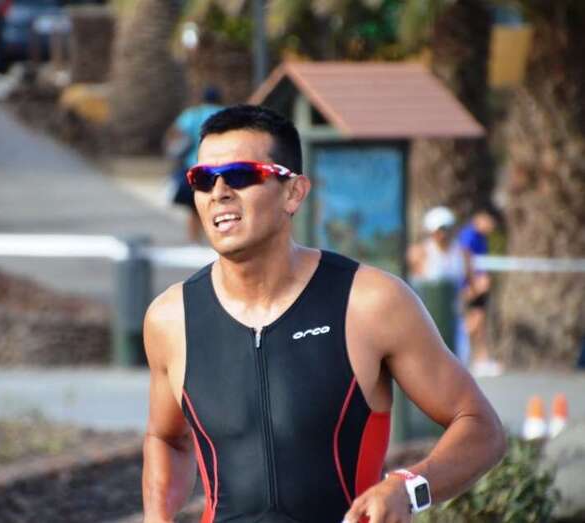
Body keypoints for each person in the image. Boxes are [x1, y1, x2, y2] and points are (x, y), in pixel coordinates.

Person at [142, 105, 505, 523]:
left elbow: (481, 428)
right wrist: (157, 516)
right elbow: (166, 438)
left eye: (241, 175)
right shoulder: (170, 319)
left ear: (294, 192)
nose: (219, 192)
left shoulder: (369, 302)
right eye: (203, 178)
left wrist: (407, 488)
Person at [407, 206, 470, 363]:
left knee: (458, 359)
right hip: (427, 316)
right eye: (439, 230)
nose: (443, 234)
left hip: (454, 316)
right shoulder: (420, 252)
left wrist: (463, 299)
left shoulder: (462, 253)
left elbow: (470, 284)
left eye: (446, 229)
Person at [164, 87, 224, 243]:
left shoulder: (193, 114)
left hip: (194, 166)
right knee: (217, 205)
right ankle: (216, 240)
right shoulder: (224, 114)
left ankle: (194, 241)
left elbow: (175, 133)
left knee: (194, 206)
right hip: (219, 167)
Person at [458, 208, 502, 377]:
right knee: (473, 321)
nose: (492, 226)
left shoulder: (483, 238)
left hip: (480, 286)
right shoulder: (468, 235)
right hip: (469, 286)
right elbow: (465, 258)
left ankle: (481, 360)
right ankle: (453, 344)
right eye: (490, 222)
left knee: (480, 321)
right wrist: (472, 285)